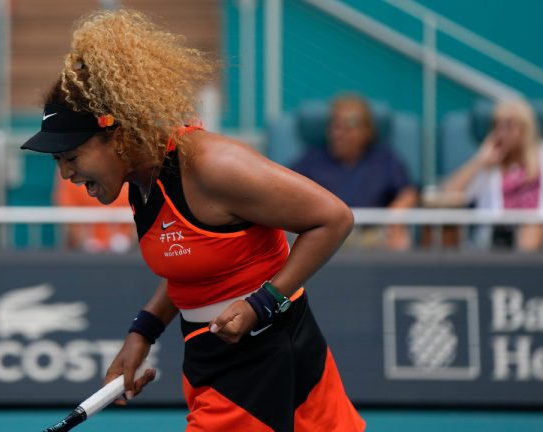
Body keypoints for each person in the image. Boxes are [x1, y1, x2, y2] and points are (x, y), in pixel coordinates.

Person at [21, 10, 364, 431]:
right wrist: (143, 331)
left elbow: (333, 219)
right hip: (217, 357)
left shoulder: (211, 166)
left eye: (72, 157)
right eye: (58, 160)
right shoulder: (141, 182)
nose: (66, 175)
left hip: (261, 359)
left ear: (119, 136)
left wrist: (264, 303)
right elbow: (197, 265)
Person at [290, 95, 419, 250]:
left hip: (371, 235)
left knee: (400, 241)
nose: (338, 134)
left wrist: (399, 210)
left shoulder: (385, 159)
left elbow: (408, 192)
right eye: (335, 127)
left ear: (367, 132)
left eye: (348, 128)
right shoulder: (313, 159)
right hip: (323, 235)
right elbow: (285, 187)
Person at [442, 99, 543, 250]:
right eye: (497, 125)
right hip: (497, 241)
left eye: (509, 125)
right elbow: (447, 196)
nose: (502, 132)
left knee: (533, 227)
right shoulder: (489, 166)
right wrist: (480, 160)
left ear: (526, 127)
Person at [52, 173, 135, 252]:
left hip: (127, 251)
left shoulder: (133, 174)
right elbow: (68, 215)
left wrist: (124, 242)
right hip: (83, 253)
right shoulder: (72, 174)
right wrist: (87, 245)